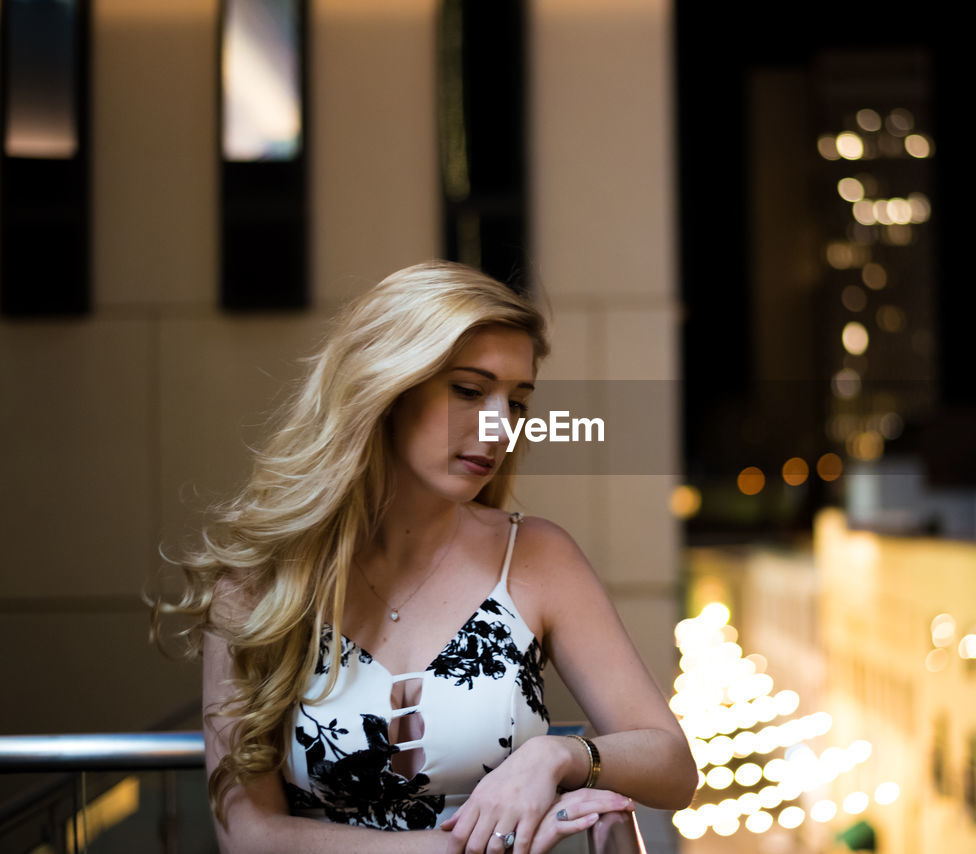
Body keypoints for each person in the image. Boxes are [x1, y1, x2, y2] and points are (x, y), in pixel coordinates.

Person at [153, 261, 697, 854]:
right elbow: (249, 838)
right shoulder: (260, 583)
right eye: (468, 390)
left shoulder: (536, 556)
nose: (499, 426)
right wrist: (463, 850)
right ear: (386, 387)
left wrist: (556, 756)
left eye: (517, 401)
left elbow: (672, 766)